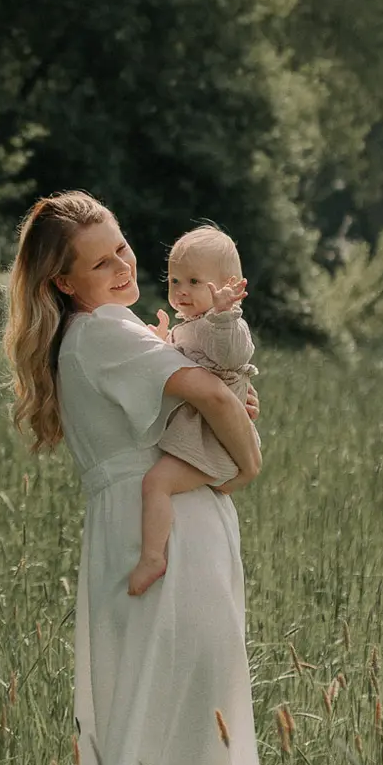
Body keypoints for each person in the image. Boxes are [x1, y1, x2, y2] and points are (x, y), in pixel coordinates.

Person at [3, 191, 263, 765]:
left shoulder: (86, 339)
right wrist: (248, 460)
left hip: (145, 532)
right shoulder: (106, 330)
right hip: (171, 543)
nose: (122, 266)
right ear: (64, 282)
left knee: (180, 741)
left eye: (122, 247)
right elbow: (211, 388)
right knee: (177, 752)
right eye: (99, 260)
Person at [128, 225, 257, 598]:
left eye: (194, 281)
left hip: (210, 439)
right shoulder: (193, 325)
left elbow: (232, 353)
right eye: (174, 280)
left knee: (157, 483)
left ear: (228, 285)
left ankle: (153, 557)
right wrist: (162, 340)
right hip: (202, 431)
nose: (181, 290)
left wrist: (224, 313)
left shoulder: (226, 326)